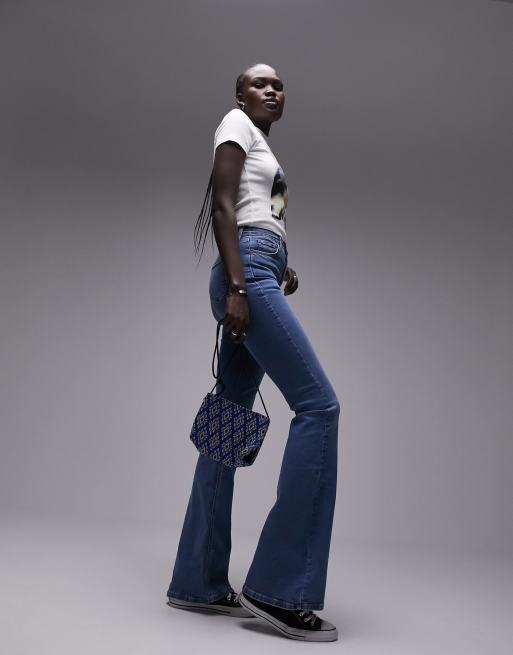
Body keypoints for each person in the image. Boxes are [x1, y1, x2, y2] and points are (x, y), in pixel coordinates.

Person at [165, 62, 341, 642]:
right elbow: (223, 206)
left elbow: (256, 217)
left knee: (229, 422)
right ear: (240, 95)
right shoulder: (235, 124)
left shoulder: (264, 148)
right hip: (245, 277)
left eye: (278, 84)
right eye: (258, 83)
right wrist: (241, 288)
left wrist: (277, 264)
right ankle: (280, 591)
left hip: (258, 269)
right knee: (319, 407)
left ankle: (197, 581)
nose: (271, 89)